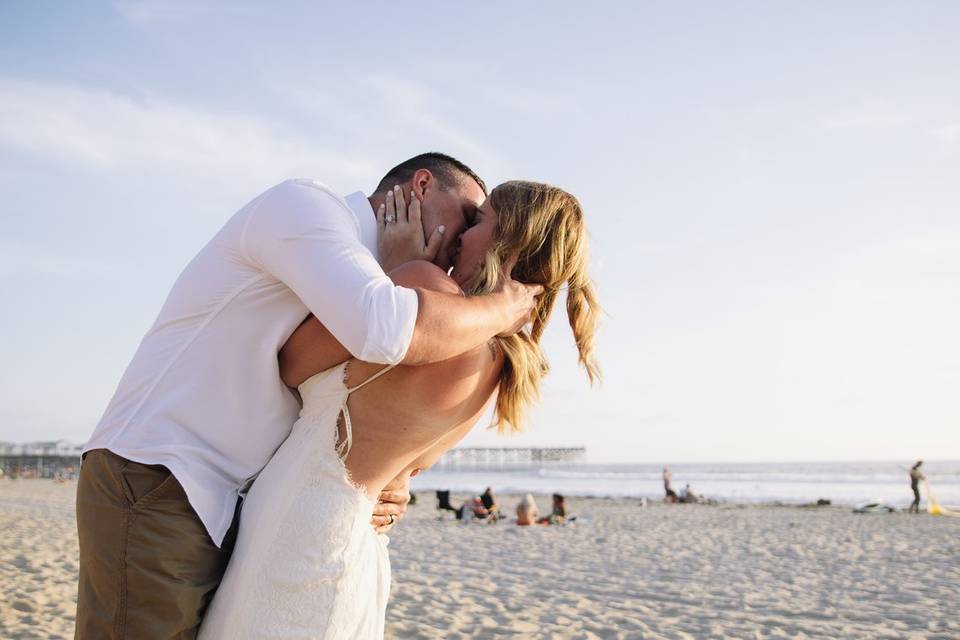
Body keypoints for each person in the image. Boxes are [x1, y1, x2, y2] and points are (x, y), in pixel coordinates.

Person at [74, 153, 543, 639]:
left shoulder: (371, 276)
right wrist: (505, 305)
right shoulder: (306, 208)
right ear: (422, 186)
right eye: (466, 216)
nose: (461, 241)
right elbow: (382, 329)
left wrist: (397, 476)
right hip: (164, 474)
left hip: (232, 499)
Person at [200, 180, 600, 638]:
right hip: (353, 549)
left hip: (302, 533)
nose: (462, 235)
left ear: (505, 239)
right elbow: (406, 463)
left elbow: (289, 363)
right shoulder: (505, 363)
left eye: (479, 221)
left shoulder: (424, 288)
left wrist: (398, 268)